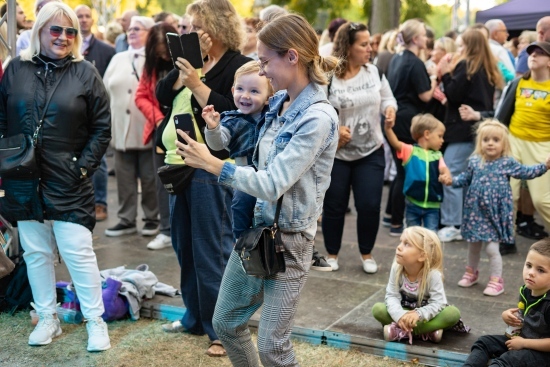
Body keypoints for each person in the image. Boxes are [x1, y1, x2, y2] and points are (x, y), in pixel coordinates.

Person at [177, 13, 339, 366]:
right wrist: (215, 136)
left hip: (290, 240)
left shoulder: (317, 117)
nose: (262, 71)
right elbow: (246, 148)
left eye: (266, 61)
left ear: (292, 57)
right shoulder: (278, 103)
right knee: (226, 323)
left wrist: (214, 164)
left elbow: (272, 182)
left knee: (272, 348)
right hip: (254, 231)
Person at [0, 2, 111, 351]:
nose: (63, 37)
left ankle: (96, 320)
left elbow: (102, 127)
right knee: (35, 253)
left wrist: (82, 167)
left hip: (69, 178)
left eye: (70, 31)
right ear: (40, 31)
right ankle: (47, 316)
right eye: (55, 29)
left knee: (78, 251)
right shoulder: (15, 69)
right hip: (23, 178)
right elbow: (2, 121)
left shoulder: (85, 72)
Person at [154, 0, 250, 357]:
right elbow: (162, 94)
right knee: (185, 248)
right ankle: (195, 316)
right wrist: (187, 72)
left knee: (212, 251)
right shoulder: (188, 63)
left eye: (193, 26)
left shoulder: (237, 65)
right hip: (177, 167)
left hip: (209, 168)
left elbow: (233, 109)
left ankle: (222, 329)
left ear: (216, 27)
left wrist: (196, 82)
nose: (186, 33)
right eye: (185, 27)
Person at [440, 120, 550, 297]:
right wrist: (451, 180)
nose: (490, 143)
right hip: (475, 212)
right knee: (473, 246)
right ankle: (471, 272)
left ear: (504, 144)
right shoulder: (475, 161)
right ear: (480, 142)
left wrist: (544, 166)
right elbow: (465, 178)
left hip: (495, 214)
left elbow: (526, 172)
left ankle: (496, 280)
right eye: (486, 140)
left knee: (492, 249)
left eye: (496, 140)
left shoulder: (507, 162)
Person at [322, 21, 397, 273]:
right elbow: (317, 109)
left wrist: (390, 110)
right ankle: (332, 253)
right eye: (363, 44)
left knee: (369, 204)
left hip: (370, 151)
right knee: (334, 205)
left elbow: (388, 98)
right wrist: (335, 129)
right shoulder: (329, 75)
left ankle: (367, 253)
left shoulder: (374, 72)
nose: (370, 48)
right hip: (337, 153)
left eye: (370, 43)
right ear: (348, 47)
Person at [436, 29, 503, 243]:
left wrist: (446, 73)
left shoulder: (467, 66)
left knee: (452, 172)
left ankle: (452, 224)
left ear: (470, 46)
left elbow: (454, 95)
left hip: (461, 128)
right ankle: (465, 222)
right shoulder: (487, 68)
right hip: (478, 129)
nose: (458, 48)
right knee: (467, 176)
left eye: (461, 44)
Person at [103, 16, 159, 238]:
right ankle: (126, 219)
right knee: (124, 178)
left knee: (149, 178)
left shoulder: (156, 58)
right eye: (130, 29)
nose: (131, 32)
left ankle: (152, 219)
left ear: (149, 33)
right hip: (120, 129)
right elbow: (105, 90)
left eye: (138, 29)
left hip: (147, 128)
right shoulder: (117, 58)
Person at [496, 41, 550, 255]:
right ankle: (506, 238)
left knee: (542, 199)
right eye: (531, 53)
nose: (533, 56)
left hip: (543, 146)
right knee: (509, 193)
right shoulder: (519, 83)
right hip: (514, 142)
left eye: (540, 53)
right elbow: (502, 115)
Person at [384, 19, 437, 237]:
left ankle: (390, 215)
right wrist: (433, 77)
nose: (426, 39)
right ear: (415, 39)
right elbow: (425, 95)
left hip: (396, 118)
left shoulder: (397, 57)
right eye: (424, 35)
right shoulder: (415, 62)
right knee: (405, 170)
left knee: (399, 167)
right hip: (407, 120)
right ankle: (397, 222)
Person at [462, 239, 550, 367]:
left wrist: (524, 343)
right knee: (484, 342)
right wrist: (507, 316)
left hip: (542, 354)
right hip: (521, 341)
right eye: (529, 265)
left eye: (540, 270)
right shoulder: (527, 290)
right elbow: (523, 317)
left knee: (507, 360)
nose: (531, 272)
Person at [371, 227, 461, 344]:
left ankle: (400, 331)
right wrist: (400, 315)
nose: (399, 247)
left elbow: (438, 303)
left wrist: (418, 314)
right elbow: (392, 296)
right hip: (403, 310)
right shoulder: (397, 268)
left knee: (452, 313)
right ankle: (428, 331)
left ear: (422, 256)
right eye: (401, 241)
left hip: (426, 315)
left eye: (407, 244)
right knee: (378, 309)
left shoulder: (433, 275)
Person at [135, 22, 178, 250]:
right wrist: (159, 119)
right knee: (162, 181)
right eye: (159, 50)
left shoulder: (185, 61)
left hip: (186, 130)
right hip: (160, 131)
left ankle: (180, 230)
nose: (162, 54)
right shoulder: (150, 66)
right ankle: (166, 231)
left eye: (166, 50)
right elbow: (141, 96)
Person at [384, 114, 449, 232]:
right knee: (413, 235)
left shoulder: (437, 155)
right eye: (440, 136)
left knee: (431, 236)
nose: (442, 140)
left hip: (433, 206)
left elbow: (444, 169)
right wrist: (388, 129)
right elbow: (396, 143)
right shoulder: (410, 151)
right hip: (412, 204)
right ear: (427, 134)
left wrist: (446, 176)